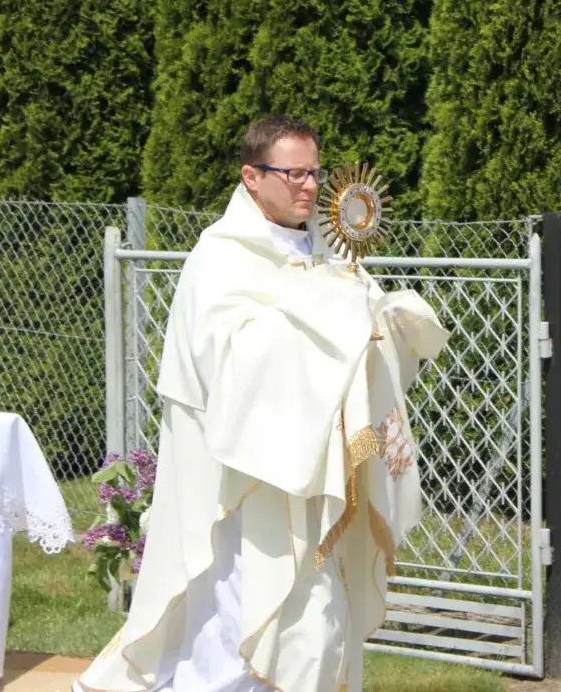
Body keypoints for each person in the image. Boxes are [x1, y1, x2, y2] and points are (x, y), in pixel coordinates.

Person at [75, 115, 449, 692]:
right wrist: (326, 314)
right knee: (240, 616)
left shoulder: (326, 250)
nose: (308, 186)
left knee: (319, 617)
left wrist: (386, 327)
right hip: (244, 481)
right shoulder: (221, 257)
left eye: (315, 173)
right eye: (294, 173)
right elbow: (228, 359)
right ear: (252, 176)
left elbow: (351, 343)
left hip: (315, 473)